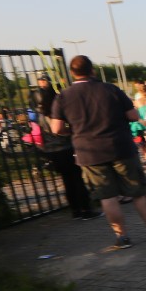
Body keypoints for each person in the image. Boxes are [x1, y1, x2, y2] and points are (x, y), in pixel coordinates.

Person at [49, 55, 146, 250]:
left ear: (72, 74)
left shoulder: (64, 96)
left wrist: (73, 131)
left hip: (89, 153)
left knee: (107, 196)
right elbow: (133, 116)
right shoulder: (111, 89)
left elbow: (56, 128)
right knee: (138, 191)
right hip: (120, 147)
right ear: (92, 70)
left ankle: (122, 237)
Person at [35, 75, 98, 220]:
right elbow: (61, 129)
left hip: (52, 150)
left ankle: (75, 210)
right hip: (66, 147)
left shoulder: (40, 114)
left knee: (67, 181)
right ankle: (86, 209)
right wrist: (71, 132)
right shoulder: (57, 111)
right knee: (77, 179)